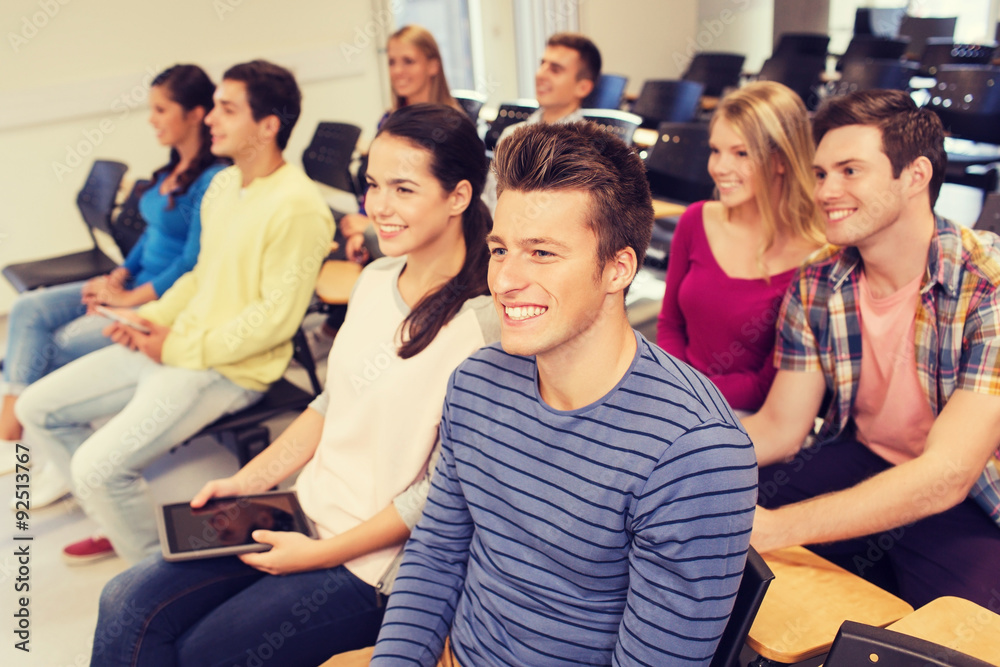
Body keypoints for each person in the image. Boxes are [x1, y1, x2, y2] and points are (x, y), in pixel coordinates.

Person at [90, 103, 499, 666]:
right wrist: (248, 483)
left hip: (373, 567)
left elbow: (436, 495)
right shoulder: (376, 279)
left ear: (458, 196)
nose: (378, 206)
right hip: (302, 511)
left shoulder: (483, 328)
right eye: (374, 185)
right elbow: (331, 403)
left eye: (404, 189)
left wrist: (319, 554)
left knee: (203, 653)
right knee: (126, 601)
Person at [357, 122, 757, 665]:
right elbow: (436, 556)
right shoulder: (476, 382)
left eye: (542, 253)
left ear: (618, 268)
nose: (504, 281)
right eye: (500, 250)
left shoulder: (695, 452)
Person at [16, 60, 333, 565]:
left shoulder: (298, 207)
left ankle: (154, 579)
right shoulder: (226, 185)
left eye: (228, 109)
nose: (211, 118)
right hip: (176, 344)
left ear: (269, 125)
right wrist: (149, 319)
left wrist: (175, 344)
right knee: (36, 408)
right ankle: (116, 520)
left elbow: (273, 321)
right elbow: (201, 275)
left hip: (228, 369)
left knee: (97, 469)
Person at [743, 89, 1000, 608]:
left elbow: (948, 473)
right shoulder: (819, 276)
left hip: (968, 494)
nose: (825, 190)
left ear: (915, 177)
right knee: (703, 518)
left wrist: (774, 529)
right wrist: (675, 460)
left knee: (966, 641)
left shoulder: (988, 285)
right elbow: (780, 426)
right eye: (820, 174)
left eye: (850, 171)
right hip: (858, 458)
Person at [0, 65, 226, 485]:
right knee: (28, 309)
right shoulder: (169, 171)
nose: (151, 119)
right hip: (135, 287)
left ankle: (45, 448)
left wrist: (130, 298)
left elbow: (192, 262)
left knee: (56, 346)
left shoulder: (213, 179)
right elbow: (151, 238)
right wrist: (118, 276)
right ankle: (15, 429)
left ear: (195, 113)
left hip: (162, 299)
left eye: (161, 109)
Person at [657, 81, 824, 413]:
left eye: (741, 153)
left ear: (781, 160)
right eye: (716, 150)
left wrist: (689, 394)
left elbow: (767, 386)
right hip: (676, 395)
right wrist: (676, 389)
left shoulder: (816, 258)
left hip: (749, 418)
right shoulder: (696, 220)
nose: (719, 167)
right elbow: (669, 324)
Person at [327, 25, 463, 354]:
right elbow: (378, 182)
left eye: (408, 61)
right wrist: (364, 225)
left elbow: (429, 207)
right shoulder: (388, 120)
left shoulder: (450, 126)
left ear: (433, 65)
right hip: (384, 227)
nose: (397, 72)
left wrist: (371, 227)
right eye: (392, 62)